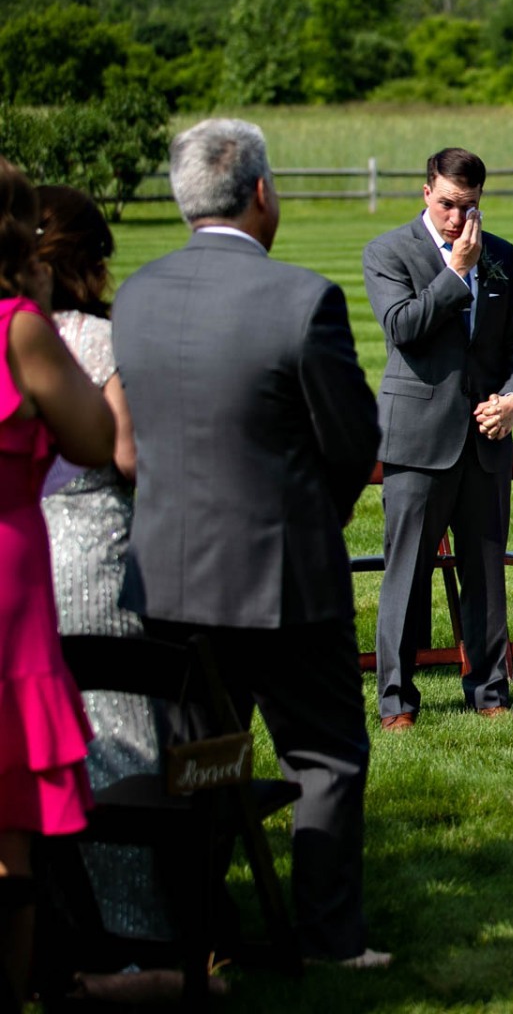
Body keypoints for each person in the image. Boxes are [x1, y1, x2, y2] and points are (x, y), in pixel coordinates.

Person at [112, 119, 386, 968]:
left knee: (199, 767)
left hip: (168, 579)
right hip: (286, 577)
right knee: (325, 758)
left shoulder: (136, 295)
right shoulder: (304, 299)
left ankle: (201, 937)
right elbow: (351, 439)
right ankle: (328, 941)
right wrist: (320, 515)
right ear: (262, 192)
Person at [36, 184, 169, 943]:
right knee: (114, 735)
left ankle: (52, 921)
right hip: (90, 552)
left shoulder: (9, 330)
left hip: (22, 548)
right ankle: (130, 923)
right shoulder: (92, 338)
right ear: (94, 259)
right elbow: (126, 457)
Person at [363, 148, 513, 731]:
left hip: (485, 439)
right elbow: (401, 327)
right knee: (405, 573)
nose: (458, 219)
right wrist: (456, 271)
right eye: (447, 204)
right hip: (417, 438)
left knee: (486, 571)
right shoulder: (388, 252)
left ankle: (489, 691)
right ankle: (396, 701)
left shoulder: (504, 256)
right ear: (425, 191)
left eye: (470, 206)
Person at [0, 158, 116, 1006]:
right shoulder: (19, 328)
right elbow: (91, 436)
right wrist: (37, 307)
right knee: (11, 831)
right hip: (9, 576)